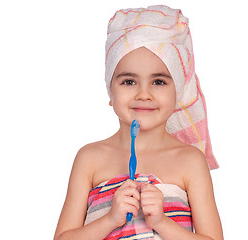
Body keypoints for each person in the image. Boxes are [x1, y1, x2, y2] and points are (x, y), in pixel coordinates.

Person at [54, 5, 223, 240]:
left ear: (178, 93)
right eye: (129, 81)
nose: (144, 94)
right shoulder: (89, 159)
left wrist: (162, 223)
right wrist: (110, 219)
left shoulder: (191, 161)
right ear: (110, 91)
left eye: (159, 82)